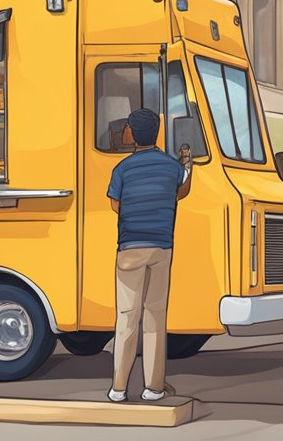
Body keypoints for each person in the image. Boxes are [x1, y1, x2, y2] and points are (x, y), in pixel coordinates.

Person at [105, 108, 192, 404]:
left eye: (127, 127)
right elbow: (180, 193)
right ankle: (153, 387)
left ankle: (118, 388)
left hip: (130, 248)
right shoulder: (171, 166)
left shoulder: (122, 169)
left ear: (132, 133)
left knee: (127, 318)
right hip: (161, 248)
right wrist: (187, 166)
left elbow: (115, 205)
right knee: (155, 318)